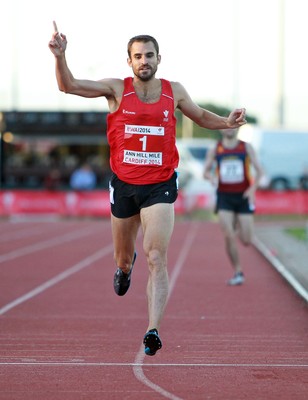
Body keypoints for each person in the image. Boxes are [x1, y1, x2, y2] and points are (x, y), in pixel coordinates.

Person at [48, 21, 247, 356]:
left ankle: (153, 329)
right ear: (129, 61)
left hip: (160, 185)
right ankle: (125, 269)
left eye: (149, 55)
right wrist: (60, 56)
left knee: (157, 257)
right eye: (138, 56)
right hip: (124, 185)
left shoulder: (174, 91)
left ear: (158, 59)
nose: (144, 61)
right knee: (125, 259)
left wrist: (226, 122)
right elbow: (69, 86)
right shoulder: (116, 89)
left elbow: (199, 116)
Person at [203, 128, 263, 285]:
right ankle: (238, 271)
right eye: (227, 126)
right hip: (224, 197)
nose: (230, 129)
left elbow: (260, 172)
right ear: (221, 129)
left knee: (247, 240)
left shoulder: (246, 147)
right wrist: (211, 178)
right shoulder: (215, 148)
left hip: (243, 196)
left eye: (233, 126)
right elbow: (205, 171)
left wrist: (252, 189)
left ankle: (236, 225)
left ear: (237, 129)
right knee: (228, 235)